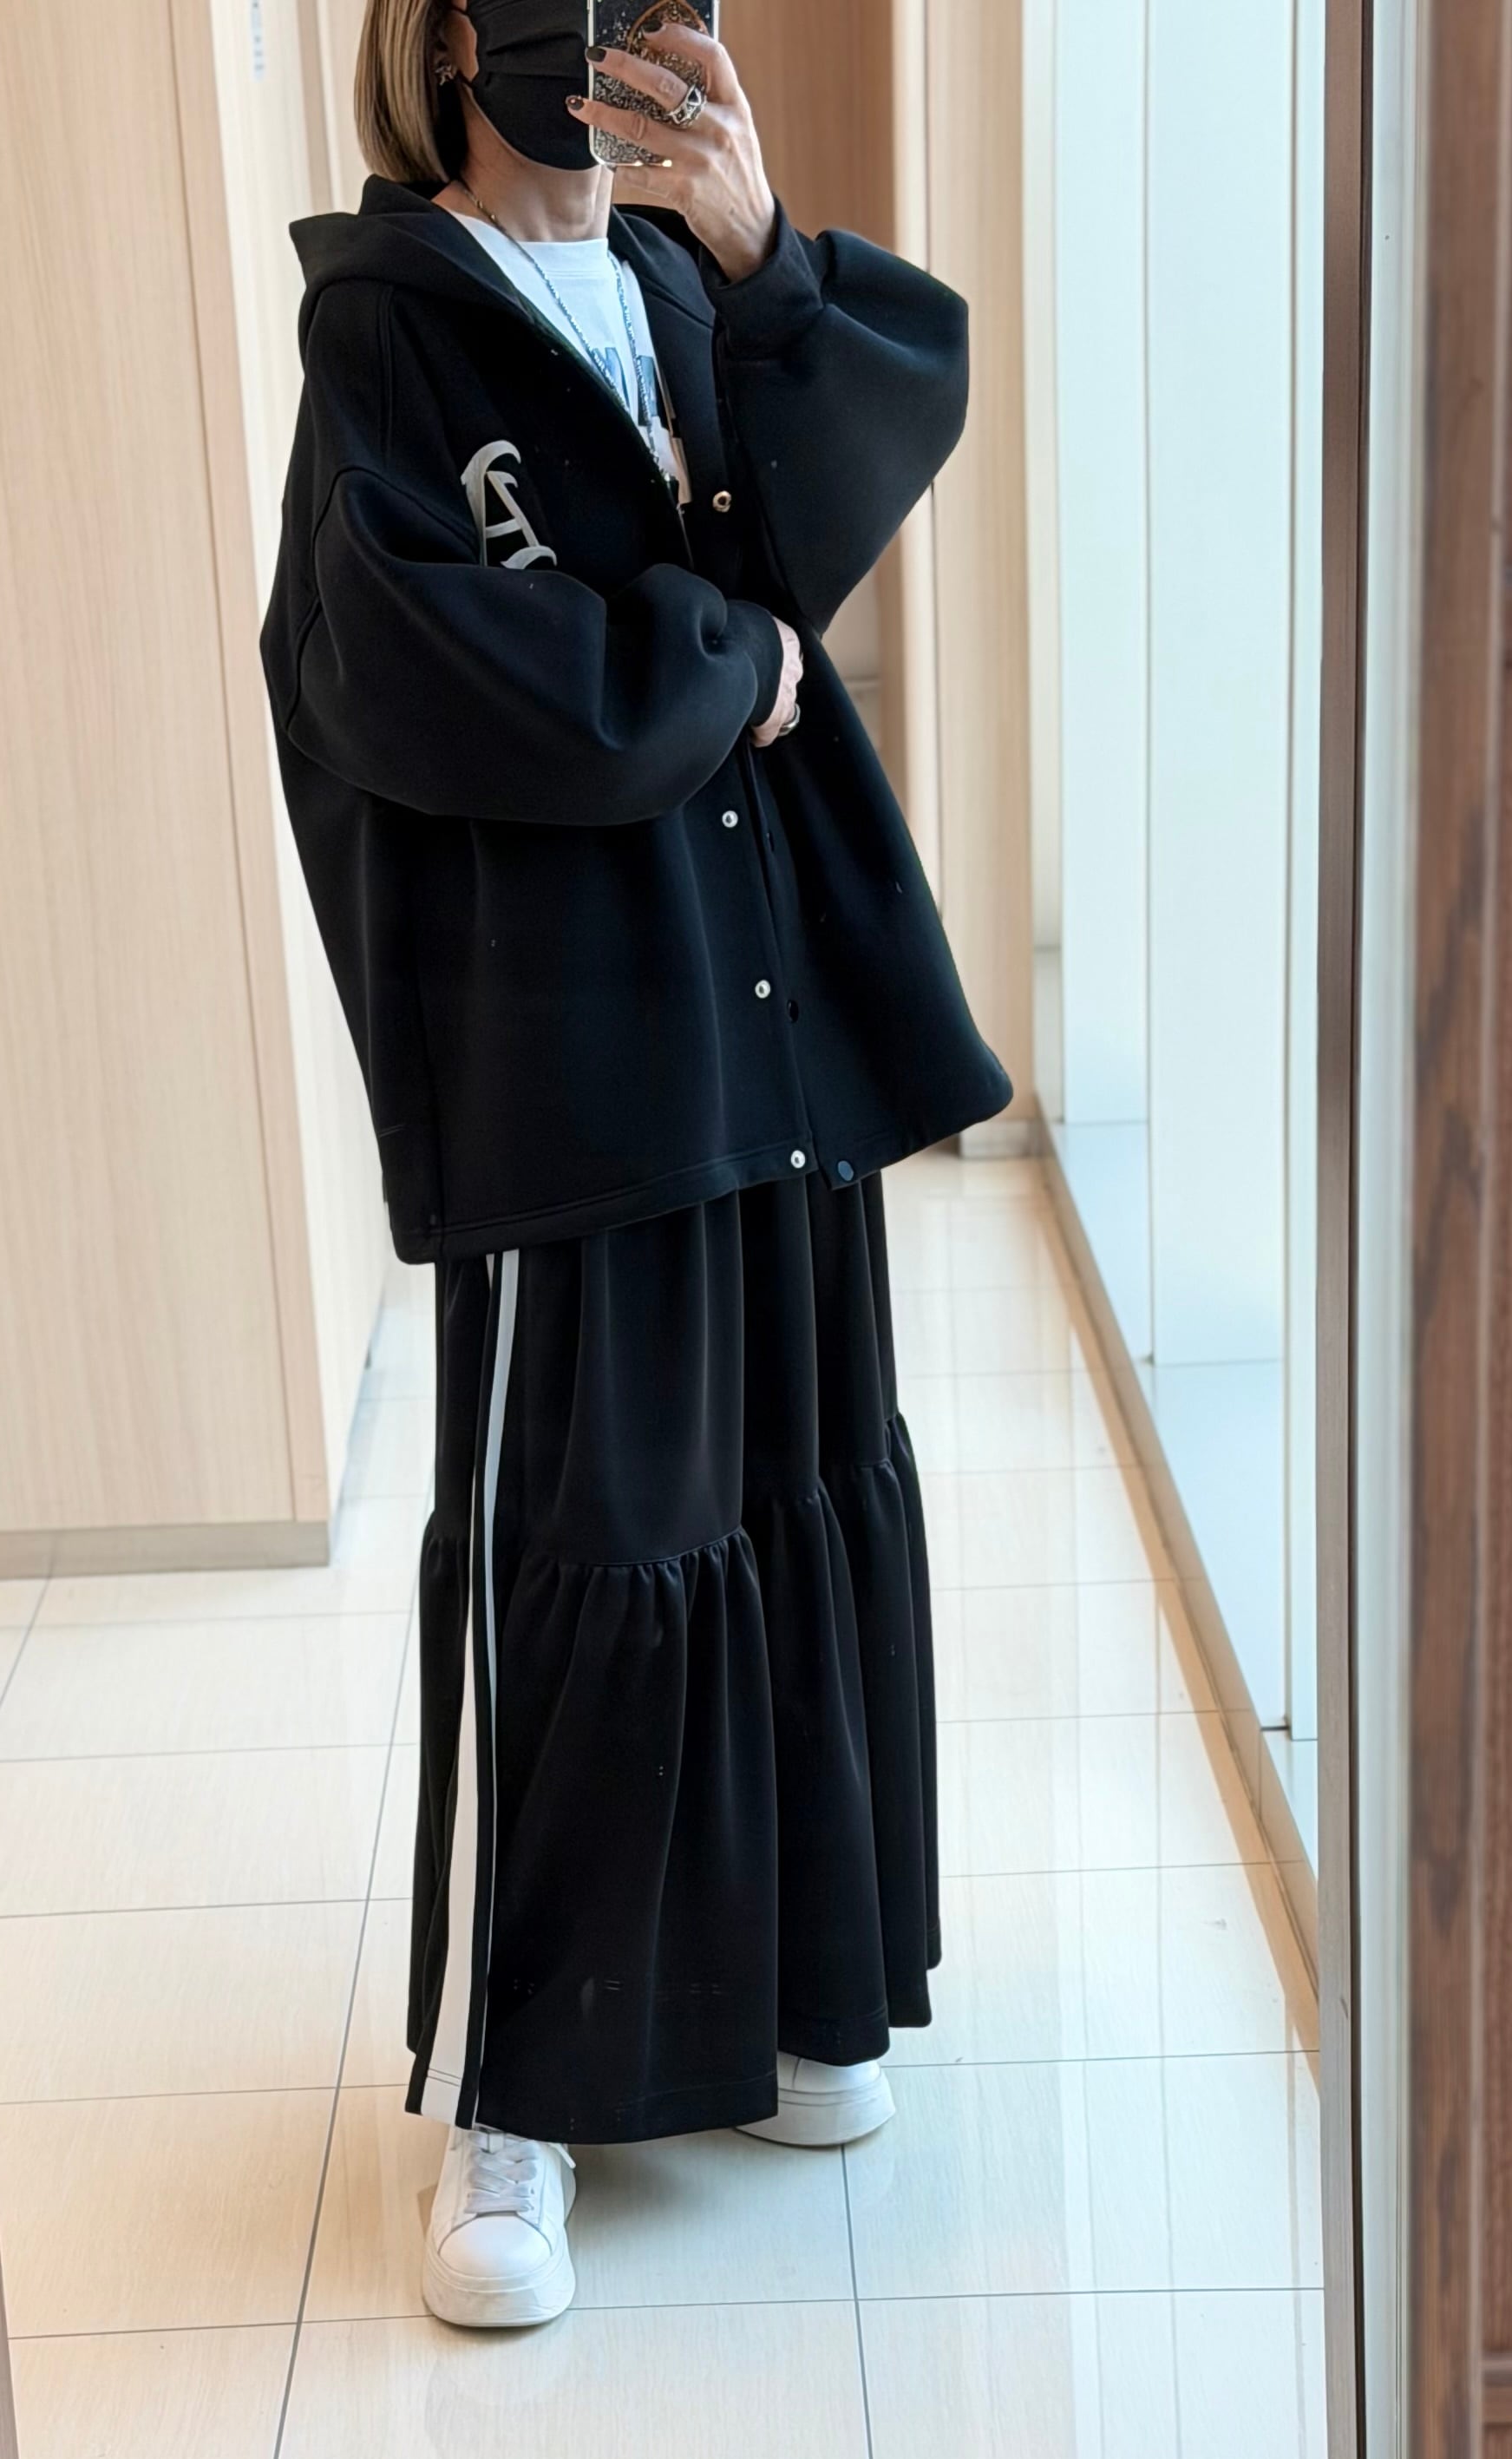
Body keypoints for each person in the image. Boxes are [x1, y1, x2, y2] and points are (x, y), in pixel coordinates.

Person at [260, 0, 1011, 2332]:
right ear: (447, 38)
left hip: (769, 1004)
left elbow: (854, 484)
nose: (599, 42)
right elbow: (396, 666)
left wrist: (770, 254)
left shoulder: (689, 285)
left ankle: (789, 1990)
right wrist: (716, 660)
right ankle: (512, 2098)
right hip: (574, 1045)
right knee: (575, 1543)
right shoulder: (391, 334)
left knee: (785, 1489)